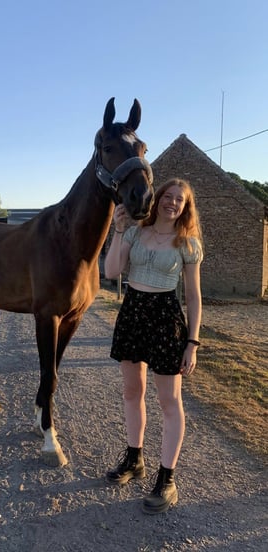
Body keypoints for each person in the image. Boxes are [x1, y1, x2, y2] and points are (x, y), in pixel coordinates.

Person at [104, 178, 203, 514]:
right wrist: (118, 231)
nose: (172, 202)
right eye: (167, 196)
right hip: (133, 312)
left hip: (165, 319)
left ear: (185, 207)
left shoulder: (187, 243)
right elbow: (111, 271)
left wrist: (192, 343)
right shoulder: (135, 232)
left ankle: (167, 479)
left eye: (179, 199)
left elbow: (193, 297)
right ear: (157, 199)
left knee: (169, 401)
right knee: (132, 392)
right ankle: (134, 460)